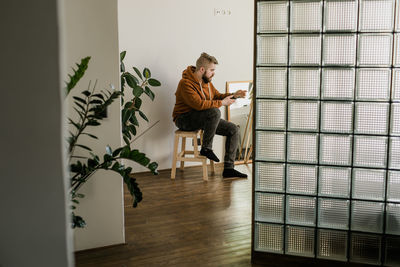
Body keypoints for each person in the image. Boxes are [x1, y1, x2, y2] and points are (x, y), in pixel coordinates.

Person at [172, 52, 248, 178]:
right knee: (214, 111)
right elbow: (199, 105)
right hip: (184, 119)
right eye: (212, 70)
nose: (214, 73)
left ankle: (229, 169)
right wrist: (222, 103)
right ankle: (206, 148)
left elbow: (217, 96)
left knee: (233, 129)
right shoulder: (185, 83)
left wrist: (234, 95)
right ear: (202, 69)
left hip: (202, 118)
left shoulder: (206, 82)